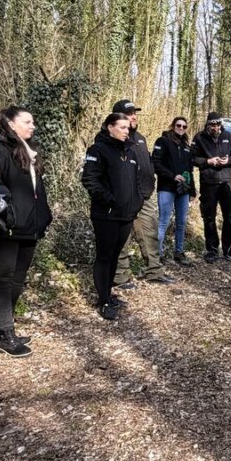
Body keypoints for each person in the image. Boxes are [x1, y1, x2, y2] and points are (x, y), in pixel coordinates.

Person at [0, 107, 52, 357]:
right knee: (4, 277)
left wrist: (44, 215)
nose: (33, 126)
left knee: (18, 277)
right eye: (27, 122)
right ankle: (4, 333)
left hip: (30, 227)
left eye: (33, 121)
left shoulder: (29, 152)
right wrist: (7, 211)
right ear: (11, 124)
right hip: (8, 226)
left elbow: (36, 189)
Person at [81, 112, 146, 321]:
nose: (127, 131)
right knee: (105, 256)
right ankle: (103, 300)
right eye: (123, 127)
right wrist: (109, 199)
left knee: (116, 255)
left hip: (127, 215)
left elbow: (137, 181)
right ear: (110, 127)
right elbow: (90, 180)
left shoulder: (131, 152)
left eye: (128, 128)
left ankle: (108, 293)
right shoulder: (98, 150)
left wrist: (137, 201)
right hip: (106, 215)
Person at [111, 101, 174, 287]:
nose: (134, 116)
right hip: (124, 197)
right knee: (123, 238)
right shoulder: (112, 138)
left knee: (150, 234)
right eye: (129, 113)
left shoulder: (139, 137)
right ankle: (120, 277)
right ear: (117, 117)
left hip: (145, 195)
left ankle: (154, 271)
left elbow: (147, 162)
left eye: (134, 113)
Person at [192, 111, 231, 263]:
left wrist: (228, 161)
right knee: (209, 217)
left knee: (229, 217)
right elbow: (192, 158)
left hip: (226, 182)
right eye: (212, 124)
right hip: (209, 183)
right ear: (207, 124)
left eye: (218, 124)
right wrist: (208, 162)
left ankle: (229, 249)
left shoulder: (228, 137)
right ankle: (212, 250)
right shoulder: (199, 138)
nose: (216, 127)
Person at [152, 115, 196, 266]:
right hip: (166, 187)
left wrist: (192, 191)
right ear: (173, 125)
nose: (181, 128)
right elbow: (156, 164)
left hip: (183, 190)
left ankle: (179, 252)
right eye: (178, 125)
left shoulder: (187, 147)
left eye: (184, 126)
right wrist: (172, 176)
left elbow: (190, 171)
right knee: (163, 221)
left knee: (181, 223)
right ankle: (158, 254)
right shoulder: (163, 141)